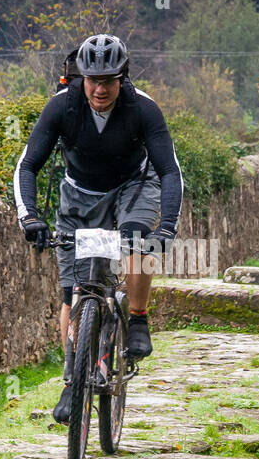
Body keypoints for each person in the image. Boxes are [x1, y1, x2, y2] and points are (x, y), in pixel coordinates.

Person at [13, 33, 183, 423]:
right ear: (80, 77)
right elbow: (28, 165)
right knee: (72, 294)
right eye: (93, 80)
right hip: (79, 195)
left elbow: (170, 170)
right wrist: (30, 217)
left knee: (137, 239)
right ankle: (73, 381)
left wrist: (167, 229)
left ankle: (137, 318)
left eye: (108, 80)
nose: (100, 88)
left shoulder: (143, 109)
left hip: (134, 186)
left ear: (122, 78)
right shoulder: (62, 107)